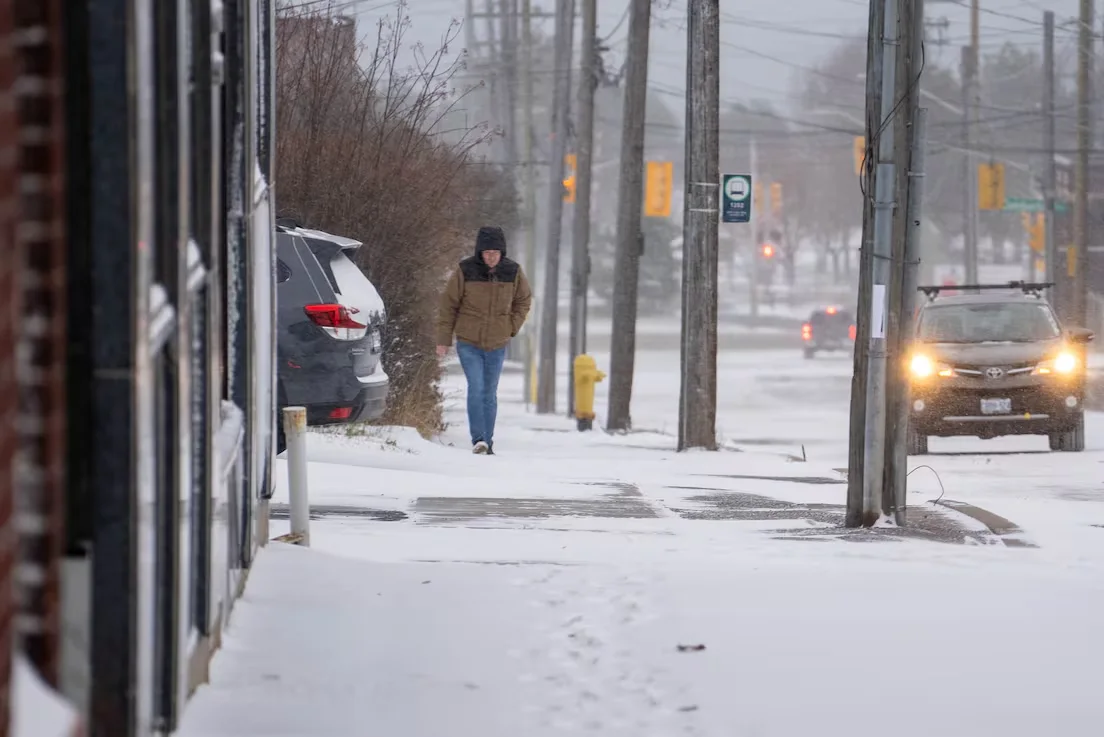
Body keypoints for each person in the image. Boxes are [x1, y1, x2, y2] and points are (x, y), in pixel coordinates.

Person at [436, 226, 532, 455]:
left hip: (497, 343)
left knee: (489, 392)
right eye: (487, 252)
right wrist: (444, 339)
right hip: (469, 341)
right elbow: (448, 306)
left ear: (502, 253)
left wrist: (511, 327)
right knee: (477, 388)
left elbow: (524, 301)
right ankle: (478, 439)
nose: (491, 257)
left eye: (495, 252)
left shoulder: (513, 272)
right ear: (480, 252)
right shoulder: (465, 271)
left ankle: (487, 441)